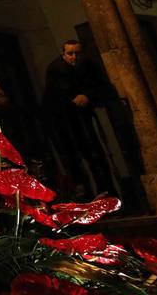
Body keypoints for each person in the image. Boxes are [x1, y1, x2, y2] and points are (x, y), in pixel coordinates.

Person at [42, 41, 115, 195]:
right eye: (70, 53)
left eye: (77, 53)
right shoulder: (56, 68)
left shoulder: (87, 65)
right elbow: (56, 93)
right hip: (63, 118)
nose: (74, 57)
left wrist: (87, 95)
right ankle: (85, 192)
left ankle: (105, 190)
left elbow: (99, 85)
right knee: (72, 156)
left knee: (94, 152)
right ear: (64, 53)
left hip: (82, 115)